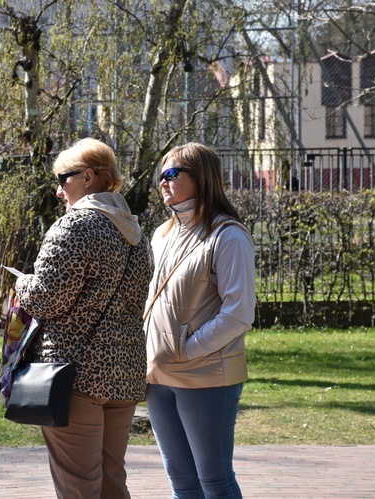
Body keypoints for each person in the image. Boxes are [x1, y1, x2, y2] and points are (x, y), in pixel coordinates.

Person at [14, 137, 153, 498]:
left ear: (88, 177)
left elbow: (45, 299)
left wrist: (23, 284)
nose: (59, 191)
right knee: (111, 481)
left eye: (63, 179)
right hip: (124, 372)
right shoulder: (136, 234)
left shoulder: (74, 227)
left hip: (75, 376)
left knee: (79, 485)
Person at [144, 142, 256, 499]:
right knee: (181, 481)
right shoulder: (163, 234)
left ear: (202, 177)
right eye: (161, 174)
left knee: (214, 481)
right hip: (158, 375)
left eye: (173, 173)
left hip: (205, 375)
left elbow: (238, 312)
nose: (163, 181)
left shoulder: (228, 235)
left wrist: (189, 350)